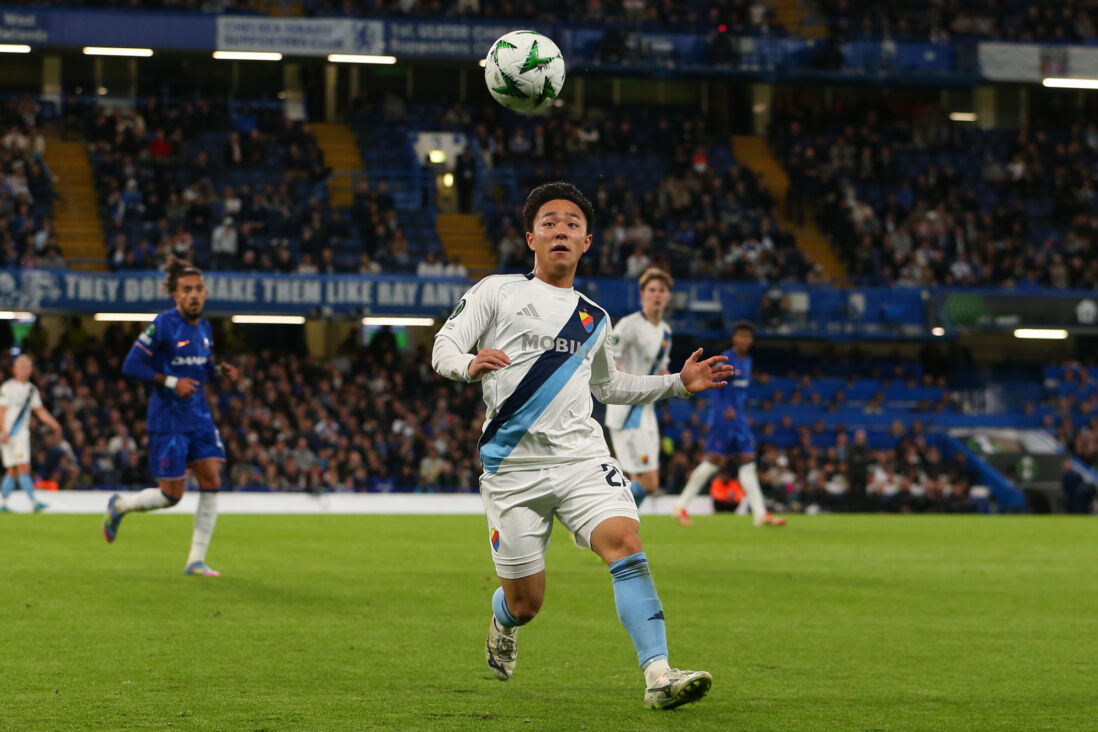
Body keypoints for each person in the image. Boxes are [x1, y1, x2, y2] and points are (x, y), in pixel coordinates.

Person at [431, 181, 732, 710]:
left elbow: (609, 386)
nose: (561, 230)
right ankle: (504, 619)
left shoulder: (594, 317)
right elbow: (445, 345)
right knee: (527, 603)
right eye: (549, 222)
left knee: (626, 543)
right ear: (531, 238)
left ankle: (658, 675)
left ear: (587, 241)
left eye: (572, 223)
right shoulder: (496, 291)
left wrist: (678, 383)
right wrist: (467, 365)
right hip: (512, 469)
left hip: (581, 458)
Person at [104, 257, 240, 577]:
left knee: (211, 479)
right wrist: (170, 382)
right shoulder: (163, 325)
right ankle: (120, 505)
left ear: (206, 293)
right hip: (168, 419)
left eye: (198, 289)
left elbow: (202, 369)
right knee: (171, 496)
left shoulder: (205, 329)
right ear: (176, 295)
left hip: (199, 417)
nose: (193, 295)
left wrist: (219, 371)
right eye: (186, 290)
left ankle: (196, 560)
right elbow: (131, 365)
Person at [672, 322, 787, 527]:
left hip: (739, 421)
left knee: (748, 462)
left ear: (751, 340)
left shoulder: (748, 361)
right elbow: (713, 386)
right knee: (712, 462)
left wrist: (740, 412)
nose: (743, 340)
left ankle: (760, 514)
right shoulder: (726, 359)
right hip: (723, 419)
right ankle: (680, 506)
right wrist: (725, 408)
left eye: (747, 337)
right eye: (740, 336)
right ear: (734, 338)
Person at [604, 267, 674, 508]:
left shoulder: (666, 332)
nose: (657, 294)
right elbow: (608, 357)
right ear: (642, 295)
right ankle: (597, 515)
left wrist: (678, 383)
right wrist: (622, 380)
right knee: (650, 482)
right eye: (651, 290)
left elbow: (661, 370)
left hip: (647, 412)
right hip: (628, 411)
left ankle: (618, 528)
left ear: (668, 296)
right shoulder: (629, 325)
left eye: (662, 290)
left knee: (636, 479)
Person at [0, 354, 63, 513]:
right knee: (23, 467)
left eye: (27, 367)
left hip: (20, 434)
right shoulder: (7, 388)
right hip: (10, 434)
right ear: (14, 369)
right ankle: (33, 502)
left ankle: (3, 503)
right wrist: (3, 431)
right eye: (21, 367)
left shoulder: (31, 390)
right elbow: (1, 411)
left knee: (13, 470)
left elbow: (40, 411)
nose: (24, 370)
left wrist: (53, 424)